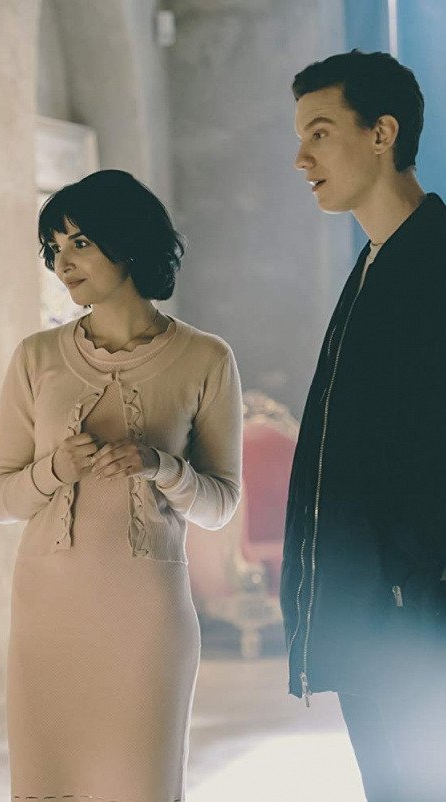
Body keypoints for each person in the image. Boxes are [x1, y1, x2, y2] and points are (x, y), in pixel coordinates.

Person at [0, 170, 242, 801]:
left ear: (128, 243)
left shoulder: (206, 358)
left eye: (80, 243)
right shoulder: (36, 357)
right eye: (54, 248)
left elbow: (220, 505)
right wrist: (55, 470)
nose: (62, 263)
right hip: (48, 618)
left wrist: (160, 466)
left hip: (146, 620)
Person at [283, 50, 446, 801]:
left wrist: (415, 580)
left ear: (381, 133)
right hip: (372, 615)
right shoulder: (374, 262)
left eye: (319, 133)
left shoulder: (434, 259)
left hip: (414, 620)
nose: (301, 158)